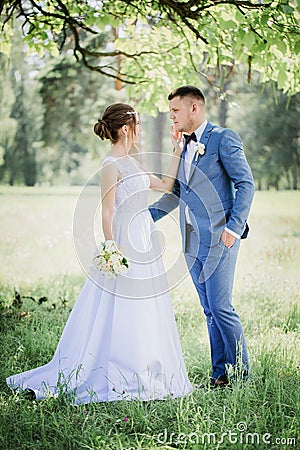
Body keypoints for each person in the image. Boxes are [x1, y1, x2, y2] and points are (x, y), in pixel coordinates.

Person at [6, 103, 192, 404]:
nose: (141, 130)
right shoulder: (111, 165)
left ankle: (146, 364)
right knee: (120, 304)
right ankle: (116, 368)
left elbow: (165, 186)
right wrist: (111, 249)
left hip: (144, 235)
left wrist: (175, 151)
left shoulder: (134, 161)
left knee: (147, 302)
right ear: (126, 128)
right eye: (139, 124)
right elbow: (107, 212)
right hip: (124, 238)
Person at [149, 86, 255, 388]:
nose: (171, 116)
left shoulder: (223, 139)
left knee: (222, 307)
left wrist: (233, 229)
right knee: (209, 310)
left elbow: (246, 184)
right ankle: (220, 374)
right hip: (191, 241)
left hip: (220, 238)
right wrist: (144, 218)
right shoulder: (182, 147)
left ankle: (242, 377)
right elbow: (175, 195)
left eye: (175, 111)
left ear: (194, 109)